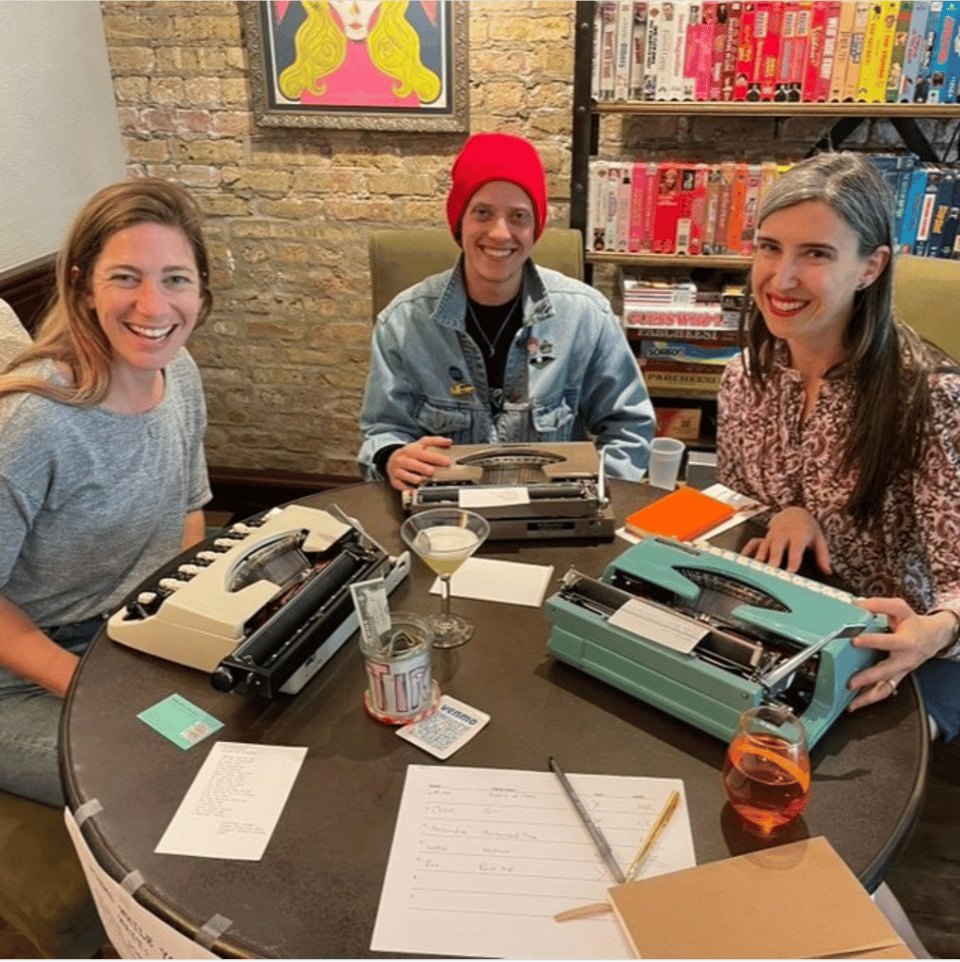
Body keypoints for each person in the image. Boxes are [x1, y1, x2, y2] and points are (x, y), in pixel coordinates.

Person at [716, 151, 960, 739]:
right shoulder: (744, 376)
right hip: (796, 619)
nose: (783, 277)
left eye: (816, 254)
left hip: (908, 649)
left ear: (871, 267)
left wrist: (941, 627)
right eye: (770, 247)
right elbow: (733, 503)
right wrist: (785, 511)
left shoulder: (932, 397)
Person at [0, 179, 214, 806]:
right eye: (126, 277)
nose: (154, 306)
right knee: (161, 780)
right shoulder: (33, 423)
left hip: (127, 632)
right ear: (82, 286)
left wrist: (176, 622)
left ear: (201, 289)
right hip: (25, 674)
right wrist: (100, 686)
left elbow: (189, 508)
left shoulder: (179, 373)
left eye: (175, 278)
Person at [358, 132, 655, 491]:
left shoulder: (587, 316)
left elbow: (629, 427)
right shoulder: (402, 322)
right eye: (482, 212)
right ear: (459, 221)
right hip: (444, 517)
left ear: (536, 228)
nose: (500, 233)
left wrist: (599, 495)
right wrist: (391, 456)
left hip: (553, 515)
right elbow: (383, 430)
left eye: (518, 216)